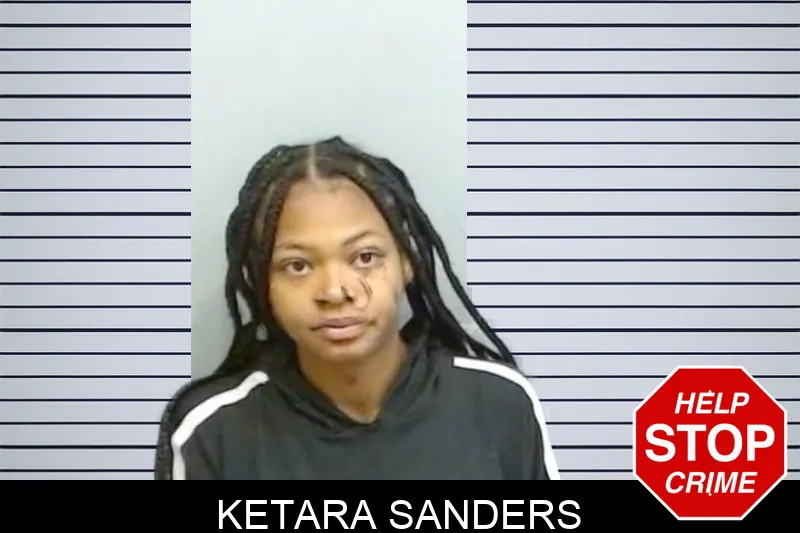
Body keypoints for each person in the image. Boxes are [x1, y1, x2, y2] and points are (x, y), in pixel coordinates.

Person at [154, 136, 559, 480]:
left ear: (406, 261)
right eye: (298, 265)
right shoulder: (213, 432)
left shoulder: (499, 403)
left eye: (365, 257)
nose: (335, 291)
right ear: (264, 284)